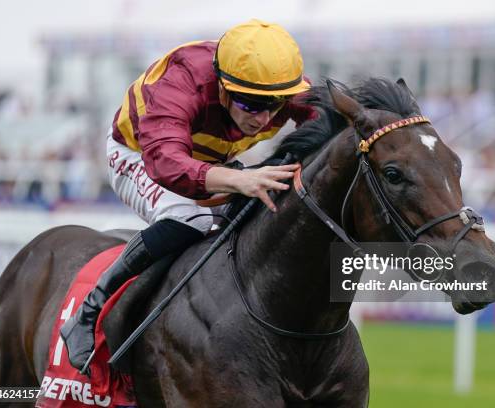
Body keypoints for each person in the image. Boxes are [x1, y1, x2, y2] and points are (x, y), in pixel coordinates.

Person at [60, 19, 316, 372]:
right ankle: (89, 311)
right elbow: (166, 163)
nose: (264, 118)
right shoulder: (180, 84)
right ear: (224, 89)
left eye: (275, 106)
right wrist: (239, 180)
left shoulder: (274, 81)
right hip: (140, 156)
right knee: (191, 218)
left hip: (209, 160)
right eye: (252, 105)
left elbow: (334, 118)